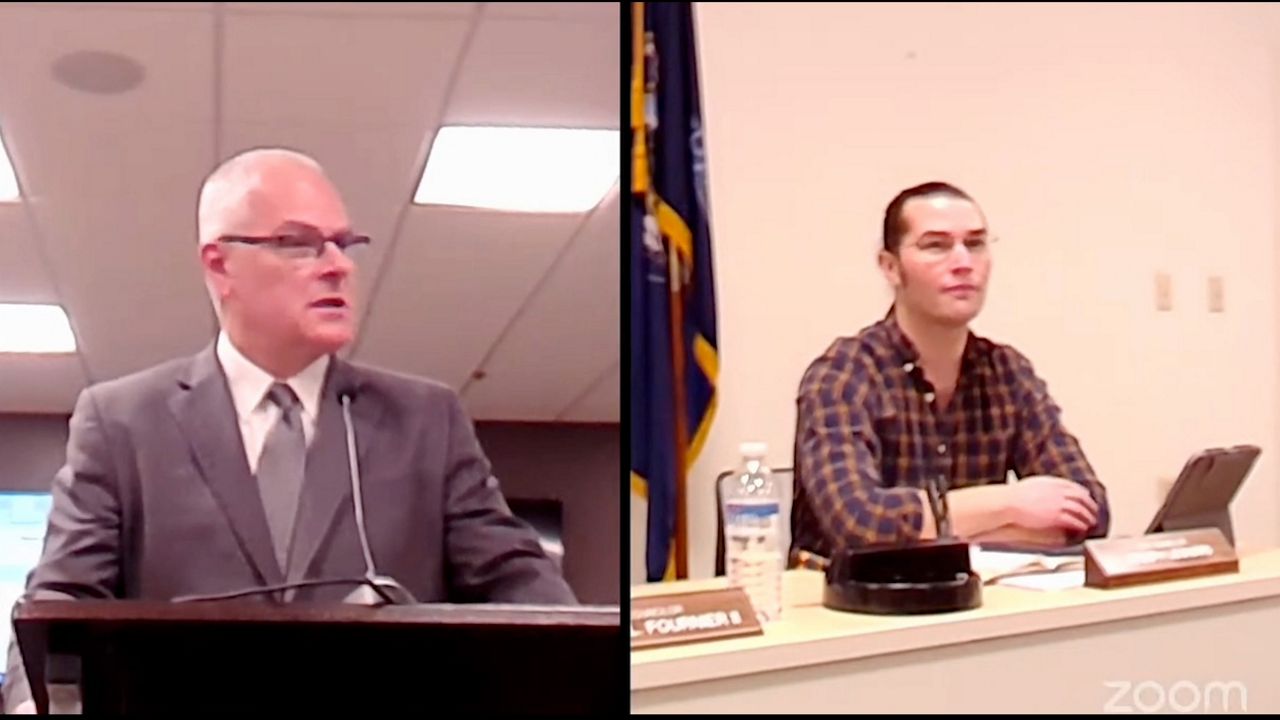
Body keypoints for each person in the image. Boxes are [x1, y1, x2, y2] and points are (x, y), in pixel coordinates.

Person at [3, 148, 575, 713]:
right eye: (298, 242)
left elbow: (519, 581)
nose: (338, 265)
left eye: (344, 243)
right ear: (220, 264)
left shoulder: (426, 419)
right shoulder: (123, 420)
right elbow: (62, 599)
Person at [790, 181, 1110, 562]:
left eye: (975, 244)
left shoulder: (1007, 371)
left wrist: (936, 535)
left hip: (979, 606)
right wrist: (1009, 504)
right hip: (854, 610)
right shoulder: (842, 375)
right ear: (890, 267)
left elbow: (1089, 511)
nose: (963, 263)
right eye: (936, 246)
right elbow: (862, 525)